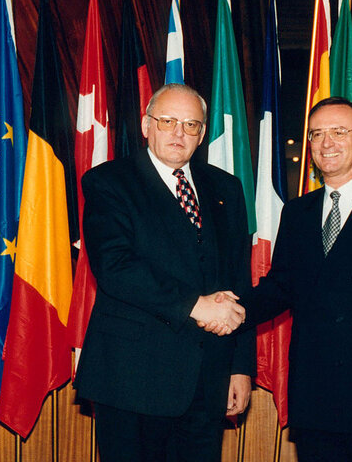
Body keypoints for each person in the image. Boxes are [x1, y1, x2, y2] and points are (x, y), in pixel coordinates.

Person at [206, 96, 352, 461]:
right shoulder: (297, 214)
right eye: (316, 134)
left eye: (338, 132)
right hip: (315, 395)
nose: (326, 143)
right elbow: (279, 288)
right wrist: (226, 309)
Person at [74, 83, 255, 462]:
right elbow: (115, 267)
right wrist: (195, 306)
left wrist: (240, 367)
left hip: (208, 379)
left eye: (191, 125)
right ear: (146, 125)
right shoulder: (108, 181)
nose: (179, 133)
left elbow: (238, 279)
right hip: (132, 378)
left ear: (202, 134)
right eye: (168, 121)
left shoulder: (227, 188)